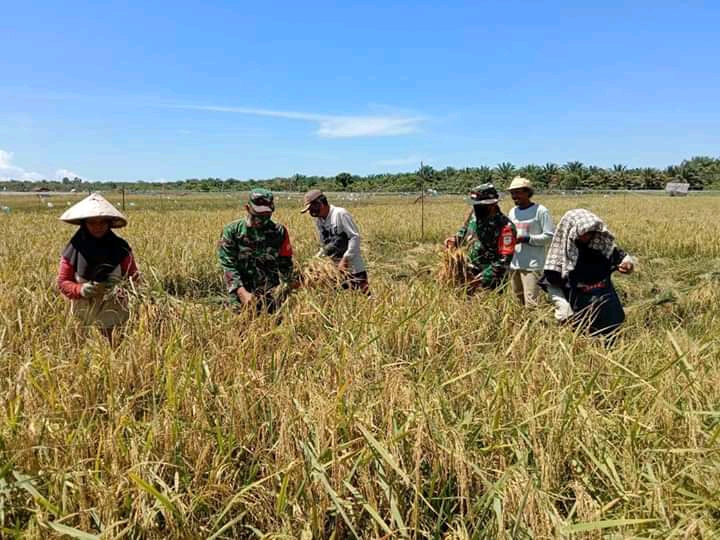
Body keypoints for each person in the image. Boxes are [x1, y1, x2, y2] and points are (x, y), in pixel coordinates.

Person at [57, 192, 139, 342]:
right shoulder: (73, 249)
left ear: (109, 224)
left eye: (102, 222)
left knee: (115, 347)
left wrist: (123, 291)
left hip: (113, 312)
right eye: (92, 223)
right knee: (82, 350)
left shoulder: (121, 248)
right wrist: (81, 289)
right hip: (83, 315)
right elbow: (63, 282)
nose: (98, 227)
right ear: (84, 224)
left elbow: (134, 278)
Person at [542, 208, 635, 337]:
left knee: (611, 339)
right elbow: (551, 283)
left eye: (590, 232)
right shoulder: (561, 258)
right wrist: (562, 307)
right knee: (583, 341)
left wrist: (628, 265)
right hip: (579, 312)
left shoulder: (600, 246)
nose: (587, 236)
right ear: (570, 231)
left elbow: (622, 257)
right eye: (583, 233)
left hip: (607, 307)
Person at [217, 188, 295, 313]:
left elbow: (285, 264)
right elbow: (228, 266)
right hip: (240, 292)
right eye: (258, 215)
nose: (262, 221)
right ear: (247, 208)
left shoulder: (279, 232)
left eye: (266, 215)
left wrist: (293, 286)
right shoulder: (232, 232)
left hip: (270, 293)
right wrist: (242, 293)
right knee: (241, 326)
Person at [444, 183, 516, 290]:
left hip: (489, 282)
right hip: (467, 272)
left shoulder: (506, 227)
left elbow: (504, 260)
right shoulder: (475, 215)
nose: (475, 207)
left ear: (492, 204)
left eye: (479, 205)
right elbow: (464, 230)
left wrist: (481, 279)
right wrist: (455, 240)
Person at [301, 189, 369, 293]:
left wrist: (345, 259)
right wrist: (315, 260)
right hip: (334, 270)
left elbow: (354, 237)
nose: (311, 212)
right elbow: (325, 246)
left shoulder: (340, 214)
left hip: (353, 267)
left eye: (311, 208)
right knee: (342, 299)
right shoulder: (319, 221)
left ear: (320, 204)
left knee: (363, 297)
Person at [507, 177, 554, 305]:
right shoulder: (512, 212)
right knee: (518, 300)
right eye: (512, 193)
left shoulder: (540, 211)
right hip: (515, 263)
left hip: (532, 264)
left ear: (528, 192)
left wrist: (526, 239)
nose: (514, 196)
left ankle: (535, 324)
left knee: (532, 303)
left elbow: (549, 236)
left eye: (518, 192)